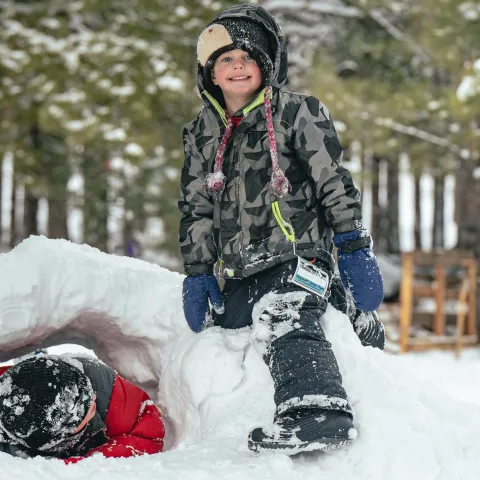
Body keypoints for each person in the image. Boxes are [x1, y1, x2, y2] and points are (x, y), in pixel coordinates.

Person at [179, 4, 384, 454]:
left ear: (266, 66)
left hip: (298, 258)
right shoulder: (200, 134)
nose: (237, 67)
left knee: (282, 314)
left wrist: (351, 243)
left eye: (248, 58)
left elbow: (332, 179)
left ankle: (319, 412)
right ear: (210, 73)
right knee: (225, 337)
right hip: (237, 272)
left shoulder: (296, 113)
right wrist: (197, 272)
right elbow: (195, 207)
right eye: (226, 59)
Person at [0, 354, 165, 462]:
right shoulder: (11, 454)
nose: (92, 397)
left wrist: (89, 461)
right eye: (86, 409)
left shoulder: (101, 386)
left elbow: (149, 433)